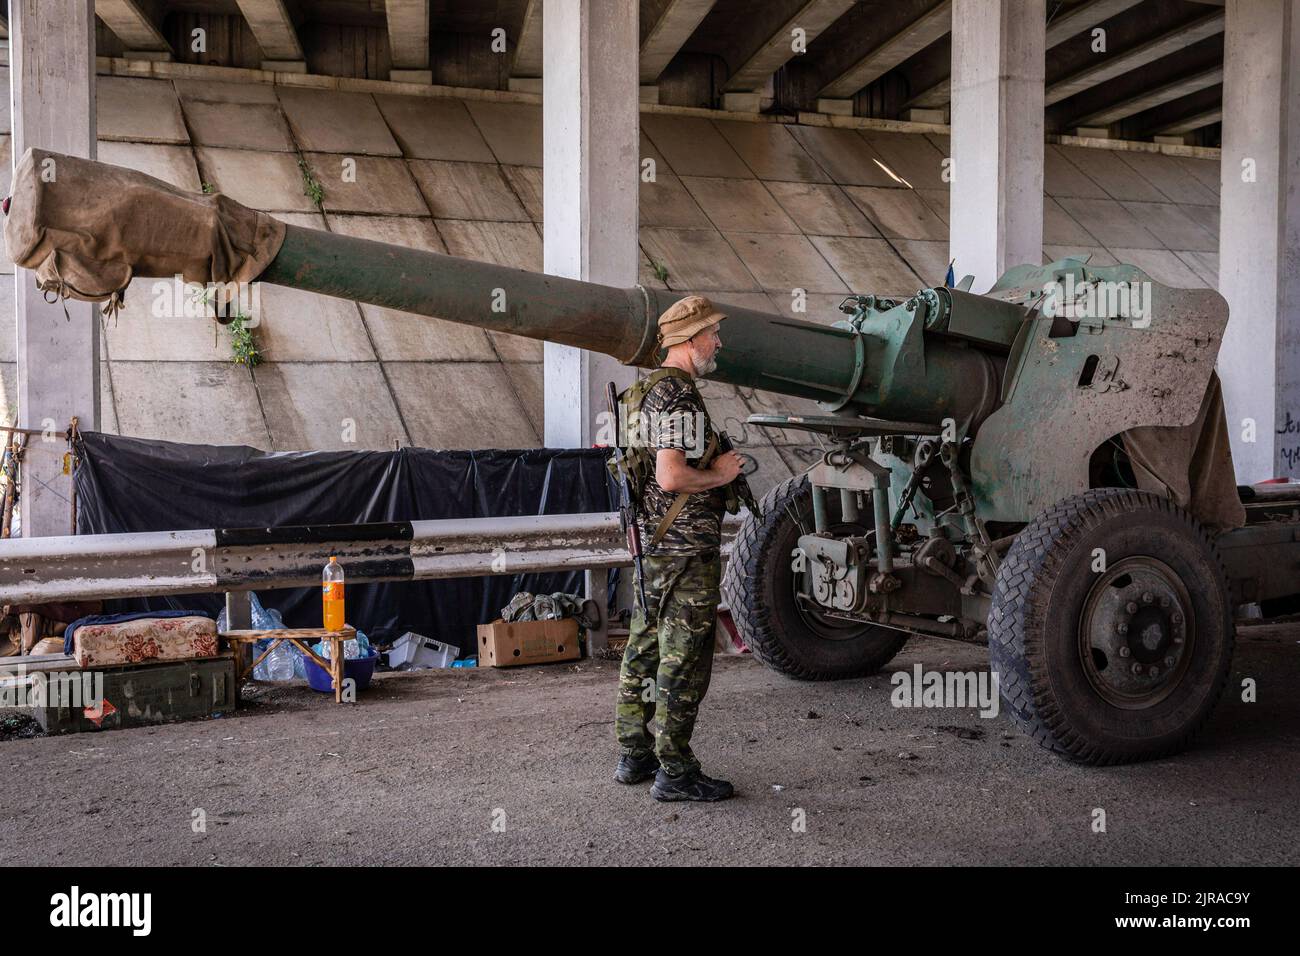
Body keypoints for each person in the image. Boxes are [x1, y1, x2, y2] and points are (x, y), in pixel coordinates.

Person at [613, 295, 744, 802]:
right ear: (690, 340)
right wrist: (722, 474)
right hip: (684, 547)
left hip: (652, 545)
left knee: (643, 647)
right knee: (683, 658)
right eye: (712, 333)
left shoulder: (643, 392)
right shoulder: (681, 397)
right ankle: (676, 770)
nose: (718, 342)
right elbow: (670, 475)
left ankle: (634, 755)